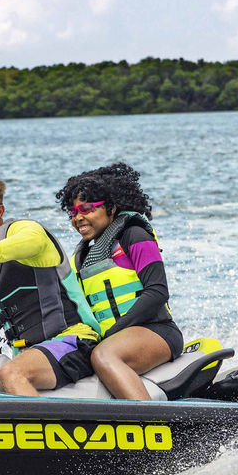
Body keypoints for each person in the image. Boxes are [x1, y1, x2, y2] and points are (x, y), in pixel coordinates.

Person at [0, 171, 100, 396]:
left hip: (75, 342)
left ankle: (41, 431)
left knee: (10, 373)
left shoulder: (23, 230)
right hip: (31, 355)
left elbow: (32, 241)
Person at [55, 163, 185, 400]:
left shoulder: (135, 235)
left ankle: (151, 422)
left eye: (86, 209)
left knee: (104, 356)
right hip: (114, 339)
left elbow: (157, 291)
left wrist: (114, 332)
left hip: (156, 331)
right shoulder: (82, 257)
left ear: (111, 208)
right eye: (73, 212)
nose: (78, 218)